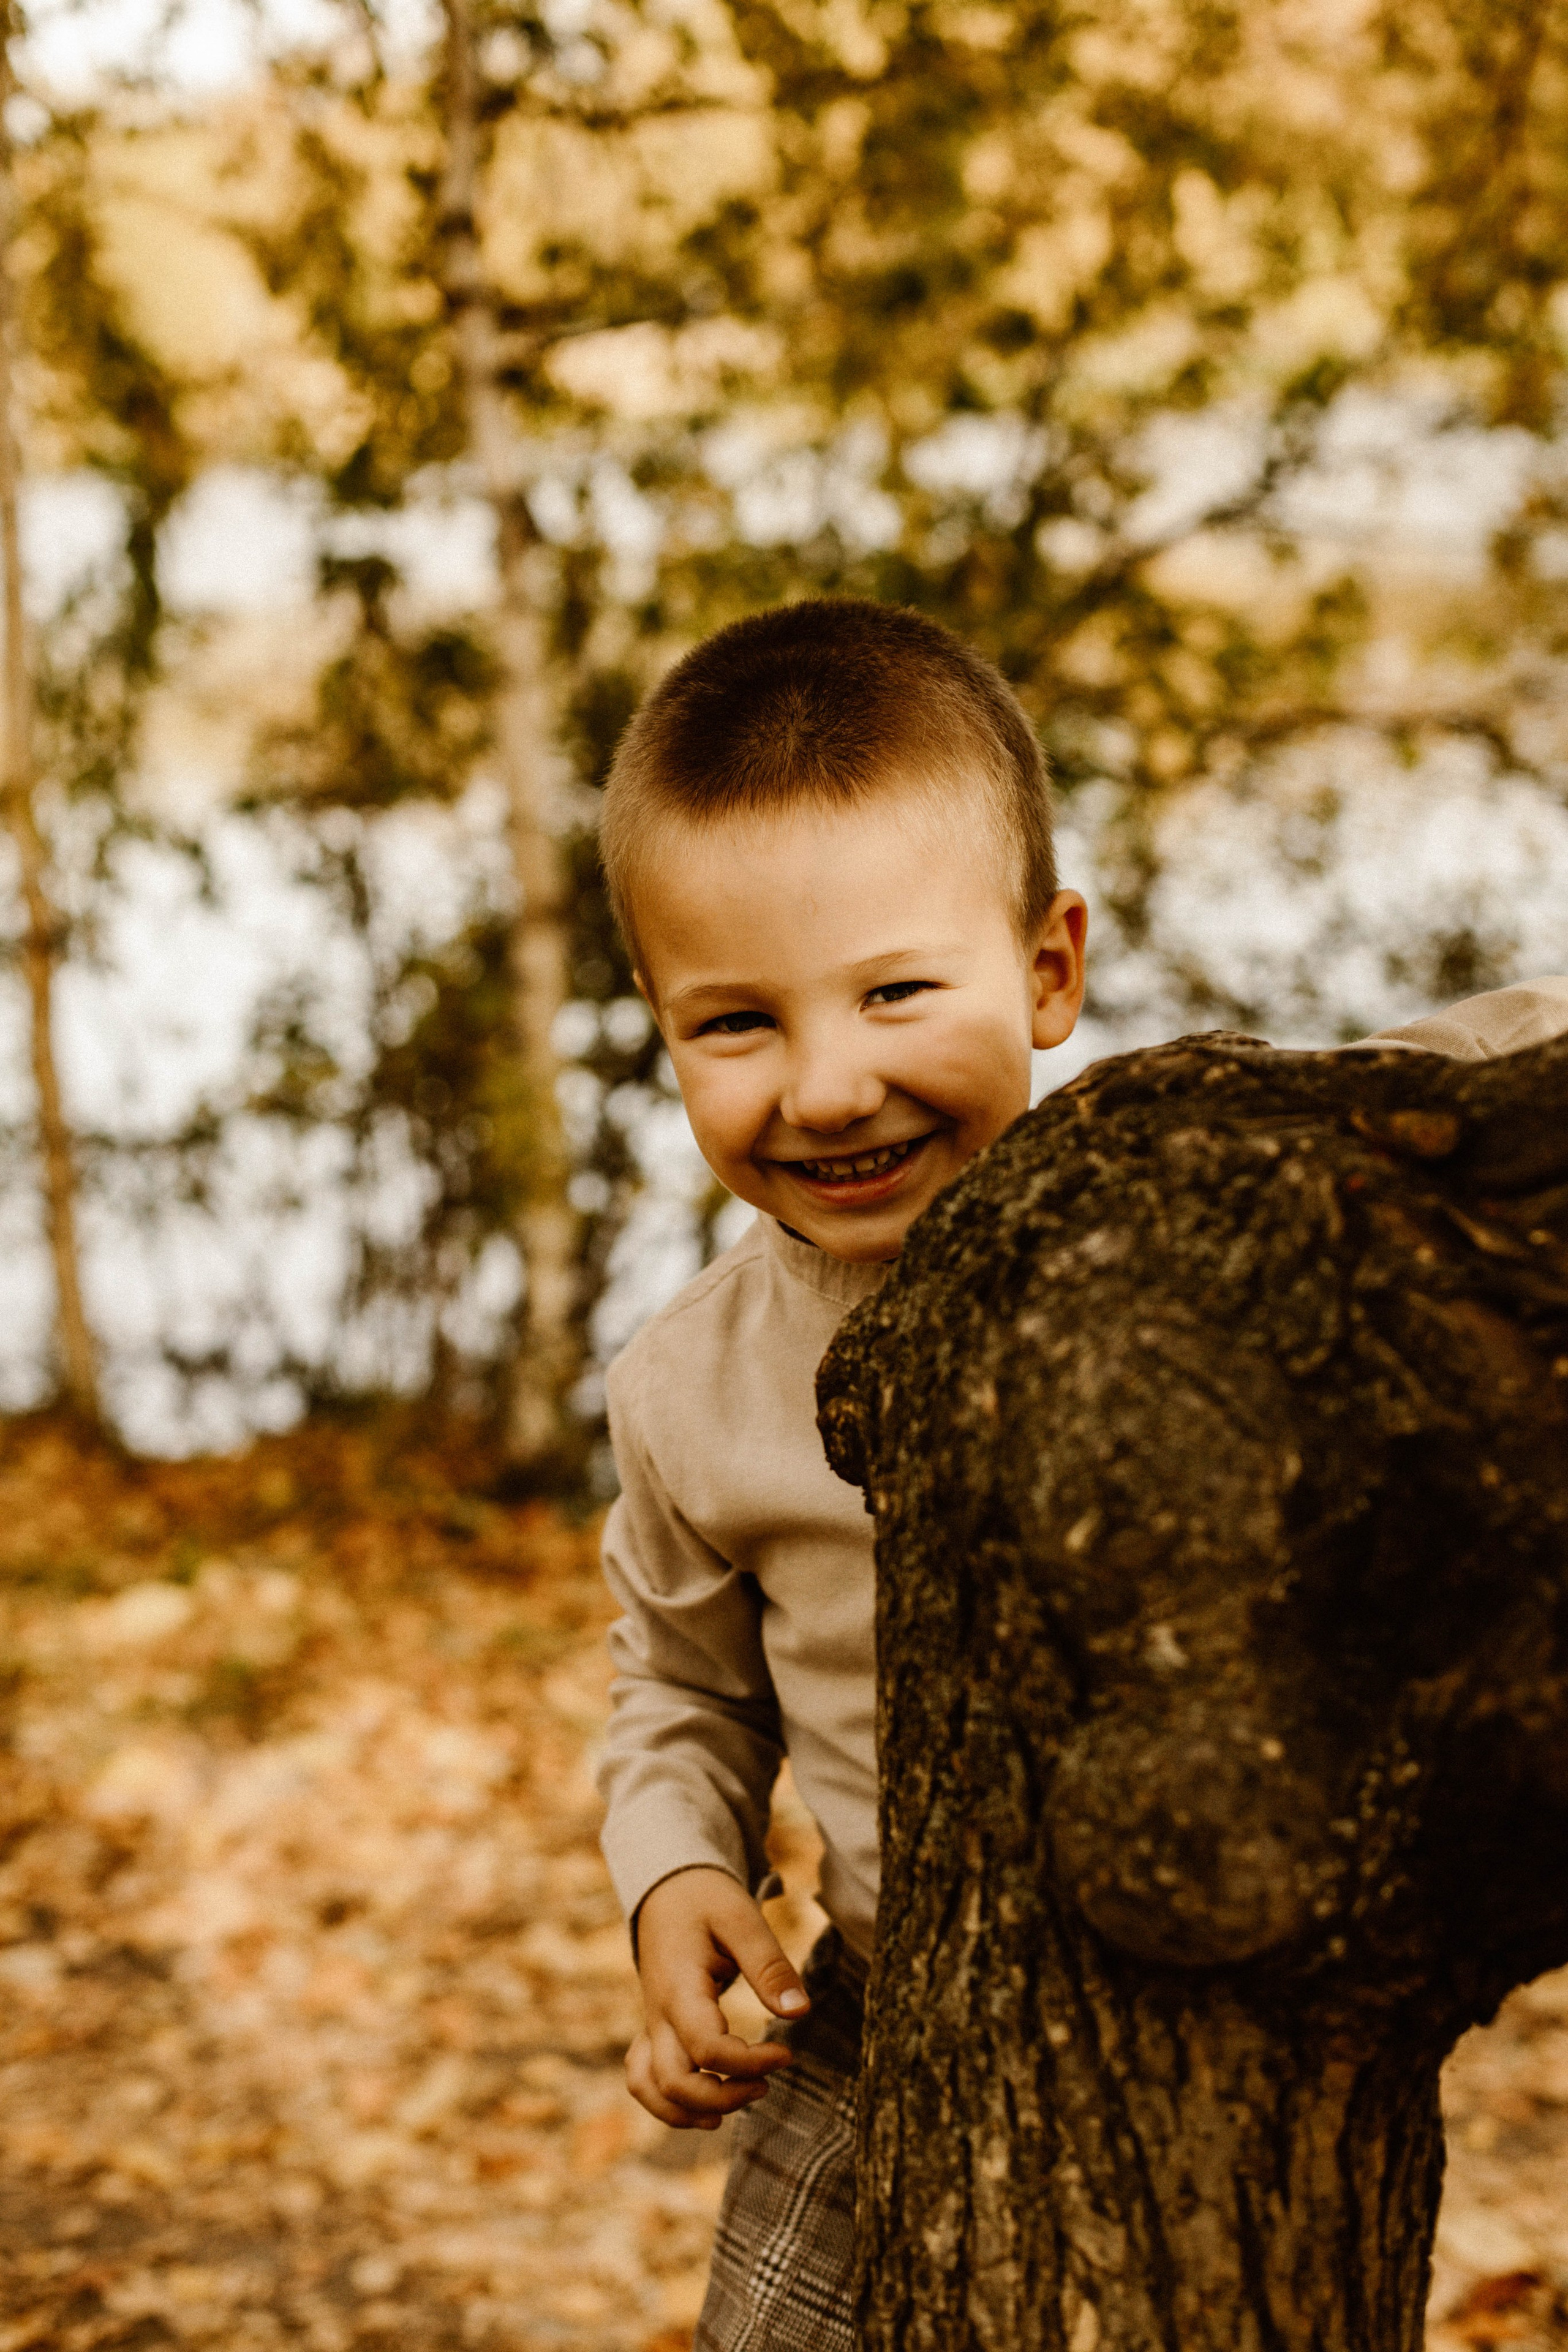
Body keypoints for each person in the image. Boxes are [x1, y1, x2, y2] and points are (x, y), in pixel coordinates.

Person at [592, 595, 1568, 2351]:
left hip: (1218, 2002)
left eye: (897, 989)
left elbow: (1450, 1088)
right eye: (735, 1024)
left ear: (1049, 967)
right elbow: (676, 1678)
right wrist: (679, 1873)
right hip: (877, 2019)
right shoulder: (686, 1386)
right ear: (659, 1025)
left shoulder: (1186, 1210)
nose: (828, 1086)